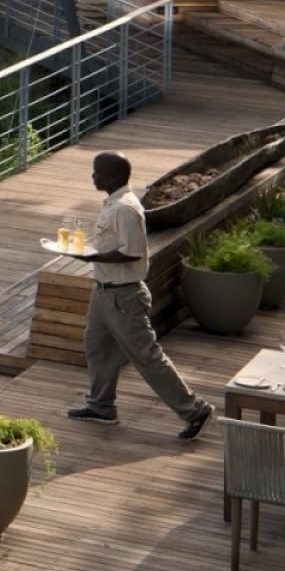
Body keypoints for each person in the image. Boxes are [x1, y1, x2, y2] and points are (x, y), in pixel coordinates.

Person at [67, 150, 214, 440]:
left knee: (146, 356)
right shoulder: (113, 203)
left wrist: (92, 257)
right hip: (104, 292)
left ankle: (195, 409)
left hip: (124, 297)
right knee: (97, 349)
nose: (93, 176)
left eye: (97, 172)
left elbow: (131, 253)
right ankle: (101, 406)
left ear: (114, 176)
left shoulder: (125, 208)